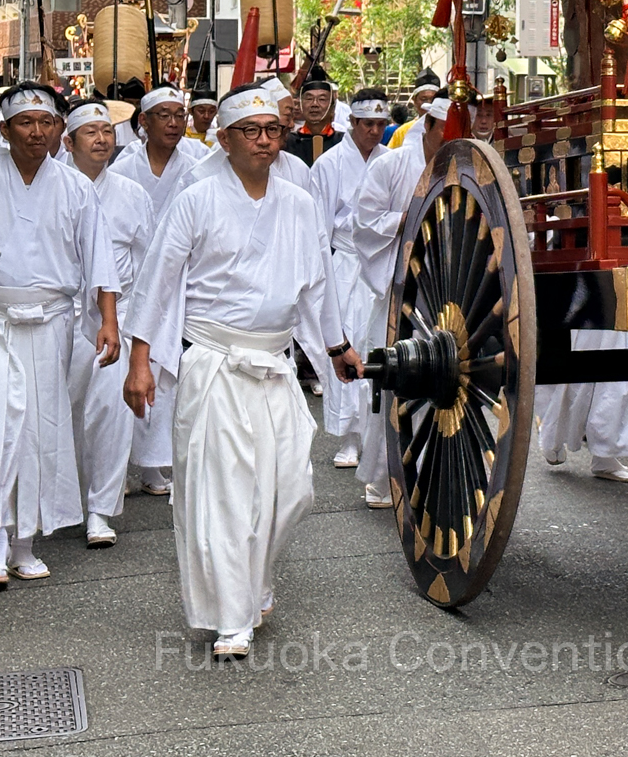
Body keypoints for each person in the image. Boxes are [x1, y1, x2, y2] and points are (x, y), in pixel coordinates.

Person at [124, 83, 363, 658]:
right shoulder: (196, 200)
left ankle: (256, 580)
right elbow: (156, 281)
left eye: (272, 131)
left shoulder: (298, 204)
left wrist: (337, 347)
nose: (264, 141)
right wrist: (140, 362)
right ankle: (232, 615)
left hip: (274, 365)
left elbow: (316, 285)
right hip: (213, 362)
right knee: (225, 494)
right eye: (250, 132)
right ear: (225, 140)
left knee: (292, 490)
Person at [0, 85, 119, 591]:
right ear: (5, 129)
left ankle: (25, 544)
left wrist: (108, 319)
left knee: (40, 429)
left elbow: (99, 258)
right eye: (25, 123)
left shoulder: (76, 187)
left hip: (54, 323)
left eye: (46, 122)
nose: (38, 132)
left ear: (59, 128)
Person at [350, 96, 449, 508]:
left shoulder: (467, 166)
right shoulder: (390, 165)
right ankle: (379, 476)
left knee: (441, 381)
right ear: (427, 126)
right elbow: (364, 222)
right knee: (392, 376)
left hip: (447, 291)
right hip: (400, 288)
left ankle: (428, 472)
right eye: (447, 130)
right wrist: (411, 213)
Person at [63, 99, 150, 548]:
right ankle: (67, 499)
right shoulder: (53, 187)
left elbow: (145, 260)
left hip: (118, 318)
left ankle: (100, 508)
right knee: (64, 413)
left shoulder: (132, 194)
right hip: (60, 317)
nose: (101, 139)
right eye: (90, 132)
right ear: (68, 141)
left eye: (107, 131)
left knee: (111, 414)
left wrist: (140, 326)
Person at [307, 88, 390, 470]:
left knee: (378, 343)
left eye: (380, 124)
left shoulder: (392, 162)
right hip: (343, 262)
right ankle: (348, 437)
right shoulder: (328, 165)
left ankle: (377, 432)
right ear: (352, 123)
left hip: (381, 263)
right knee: (343, 344)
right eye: (367, 124)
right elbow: (319, 226)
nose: (374, 131)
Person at [535, 276, 628, 483]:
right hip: (592, 274)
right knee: (590, 354)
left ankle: (604, 451)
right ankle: (555, 432)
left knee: (625, 357)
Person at [283, 71, 339, 167]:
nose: (314, 104)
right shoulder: (287, 142)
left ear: (332, 108)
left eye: (322, 99)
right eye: (309, 99)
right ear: (301, 105)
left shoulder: (342, 142)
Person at [387, 70, 440, 149]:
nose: (428, 104)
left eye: (433, 99)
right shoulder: (402, 132)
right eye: (423, 99)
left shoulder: (445, 130)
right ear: (414, 101)